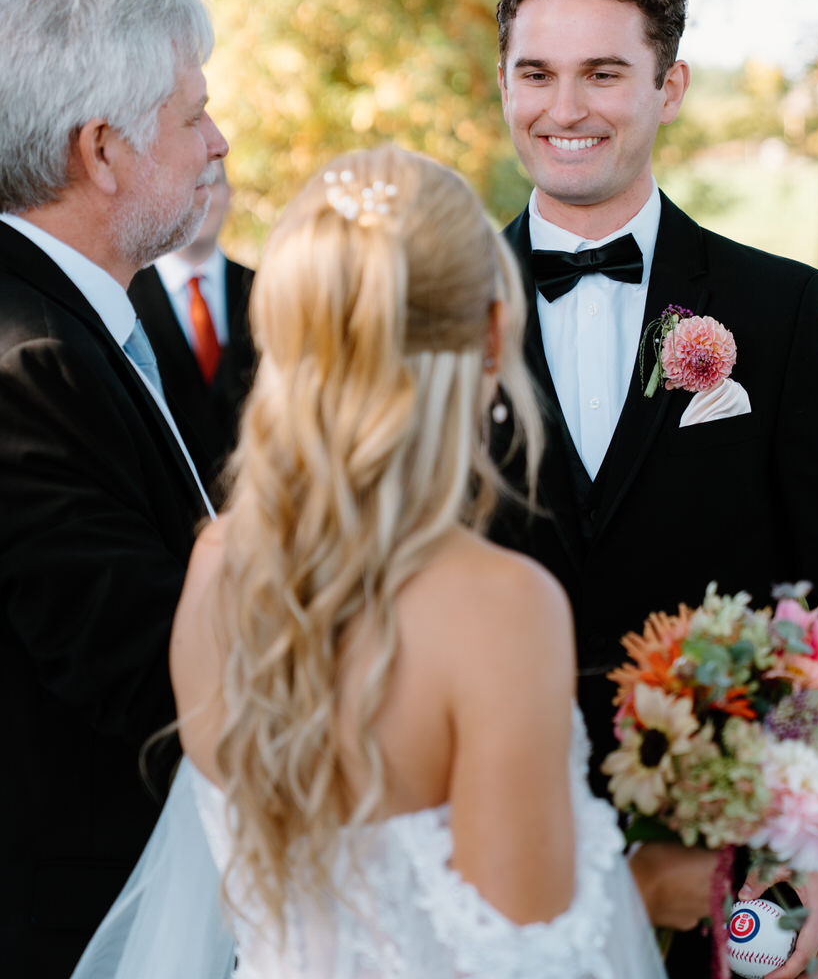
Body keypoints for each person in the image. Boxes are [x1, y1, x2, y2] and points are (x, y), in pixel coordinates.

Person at [72, 145, 718, 979]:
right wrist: (654, 882)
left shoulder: (218, 569)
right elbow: (534, 958)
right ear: (491, 334)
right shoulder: (500, 607)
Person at [488, 0, 818, 979]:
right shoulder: (439, 316)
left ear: (668, 87)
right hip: (504, 866)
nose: (565, 109)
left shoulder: (775, 312)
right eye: (536, 73)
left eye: (604, 73)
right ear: (501, 80)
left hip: (746, 867)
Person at [0, 0, 229, 978]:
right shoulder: (27, 363)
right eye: (193, 116)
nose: (218, 144)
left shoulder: (103, 320)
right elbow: (148, 665)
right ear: (103, 150)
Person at [129, 161, 255, 496]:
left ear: (228, 195)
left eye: (210, 184)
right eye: (189, 184)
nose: (200, 198)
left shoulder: (265, 290)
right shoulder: (123, 298)